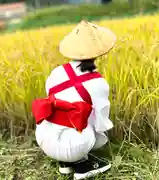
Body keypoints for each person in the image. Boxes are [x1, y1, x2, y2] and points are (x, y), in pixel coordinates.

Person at [32, 20, 117, 180]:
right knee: (92, 121)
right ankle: (82, 166)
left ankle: (64, 163)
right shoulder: (99, 84)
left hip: (43, 137)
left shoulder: (56, 72)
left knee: (64, 117)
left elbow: (53, 101)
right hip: (76, 145)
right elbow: (101, 121)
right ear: (99, 52)